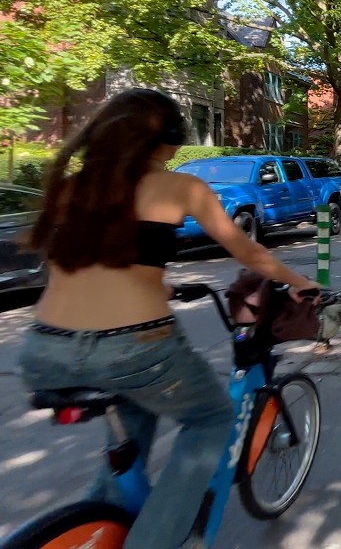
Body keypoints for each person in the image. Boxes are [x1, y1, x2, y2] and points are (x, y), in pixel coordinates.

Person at [19, 88, 320, 549]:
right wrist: (301, 281)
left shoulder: (74, 186)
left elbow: (93, 262)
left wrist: (159, 286)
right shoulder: (181, 186)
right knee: (210, 421)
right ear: (169, 138)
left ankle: (101, 529)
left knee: (130, 440)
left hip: (45, 349)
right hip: (133, 350)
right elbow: (249, 251)